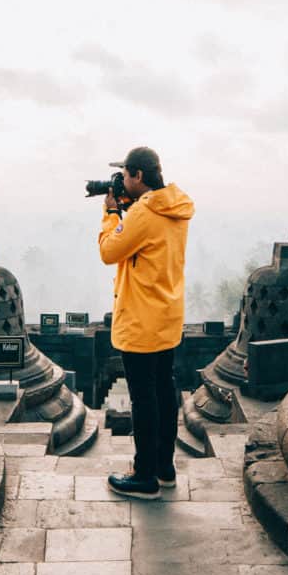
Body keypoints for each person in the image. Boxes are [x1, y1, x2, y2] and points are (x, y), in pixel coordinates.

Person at [96, 146, 195, 499]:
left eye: (125, 175)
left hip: (140, 319)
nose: (122, 181)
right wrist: (127, 211)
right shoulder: (175, 209)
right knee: (165, 391)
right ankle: (164, 468)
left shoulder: (142, 214)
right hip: (167, 315)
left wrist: (111, 214)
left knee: (144, 398)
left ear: (138, 176)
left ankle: (144, 475)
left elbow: (110, 252)